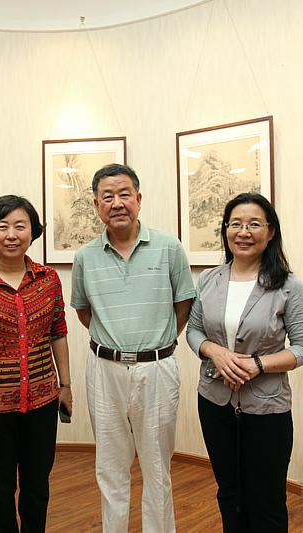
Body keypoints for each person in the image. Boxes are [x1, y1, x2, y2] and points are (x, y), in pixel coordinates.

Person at [71, 163, 195, 533]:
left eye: (124, 194)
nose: (117, 203)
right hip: (103, 369)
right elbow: (83, 311)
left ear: (138, 199)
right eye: (107, 197)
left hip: (157, 368)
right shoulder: (85, 256)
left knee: (157, 466)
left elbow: (183, 304)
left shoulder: (169, 247)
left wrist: (156, 341)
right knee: (110, 465)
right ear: (97, 206)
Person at [186, 193, 303, 532]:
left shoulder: (289, 286)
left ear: (271, 232)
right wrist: (213, 351)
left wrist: (256, 365)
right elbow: (194, 330)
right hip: (214, 403)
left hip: (267, 410)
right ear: (225, 230)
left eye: (254, 224)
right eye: (236, 224)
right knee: (229, 492)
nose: (244, 232)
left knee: (266, 501)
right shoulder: (209, 279)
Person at [0, 194, 72, 533]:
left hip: (42, 403)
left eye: (20, 226)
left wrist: (65, 386)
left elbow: (58, 333)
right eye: (2, 226)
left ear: (33, 232)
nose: (11, 235)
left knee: (37, 487)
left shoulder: (48, 279)